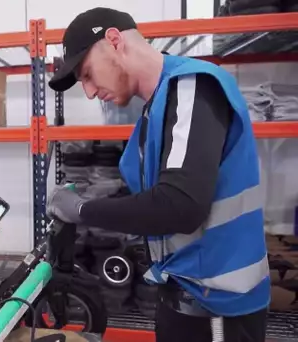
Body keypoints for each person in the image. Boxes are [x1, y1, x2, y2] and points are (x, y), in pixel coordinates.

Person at [45, 7, 270, 342]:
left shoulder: (193, 87)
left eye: (88, 74)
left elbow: (178, 206)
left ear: (115, 41)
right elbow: (151, 203)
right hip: (183, 294)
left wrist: (81, 210)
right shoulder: (157, 109)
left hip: (218, 310)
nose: (90, 92)